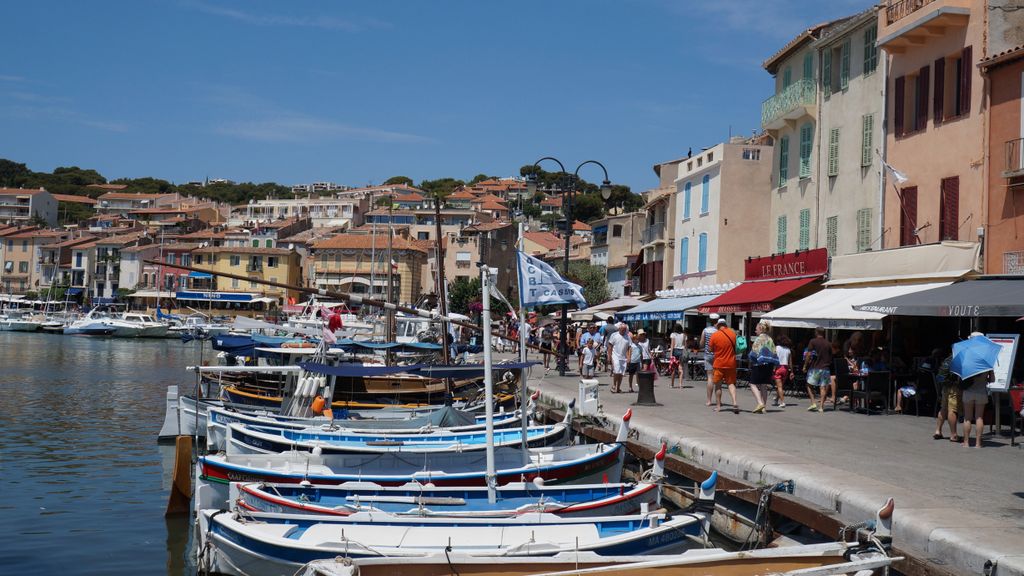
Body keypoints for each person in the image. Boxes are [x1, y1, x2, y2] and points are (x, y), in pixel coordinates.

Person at [708, 317, 739, 413]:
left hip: (719, 364)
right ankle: (734, 402)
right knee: (731, 384)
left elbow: (710, 349)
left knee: (718, 386)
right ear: (725, 325)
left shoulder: (715, 335)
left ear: (718, 325)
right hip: (731, 363)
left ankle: (718, 406)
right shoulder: (733, 334)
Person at [747, 320, 776, 414]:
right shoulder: (770, 339)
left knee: (752, 384)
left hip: (759, 364)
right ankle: (764, 407)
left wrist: (751, 360)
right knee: (763, 385)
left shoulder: (759, 339)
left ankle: (760, 403)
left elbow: (753, 353)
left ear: (760, 329)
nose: (755, 331)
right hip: (769, 365)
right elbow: (774, 353)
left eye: (756, 329)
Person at [934, 348, 961, 442]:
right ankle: (953, 435)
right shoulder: (959, 360)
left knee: (943, 408)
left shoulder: (948, 358)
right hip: (954, 387)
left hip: (945, 386)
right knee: (952, 410)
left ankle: (938, 431)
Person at [804, 327, 832, 413]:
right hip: (826, 368)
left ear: (816, 332)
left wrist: (805, 365)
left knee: (809, 385)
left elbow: (808, 354)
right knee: (823, 387)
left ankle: (813, 402)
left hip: (815, 368)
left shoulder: (813, 341)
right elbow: (831, 356)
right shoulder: (828, 343)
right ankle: (821, 407)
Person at [699, 314, 720, 407]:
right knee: (718, 378)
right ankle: (718, 401)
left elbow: (701, 344)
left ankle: (709, 400)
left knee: (710, 378)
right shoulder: (719, 331)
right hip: (717, 356)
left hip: (708, 355)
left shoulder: (705, 330)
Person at [607, 323, 632, 393]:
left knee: (621, 373)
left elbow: (629, 347)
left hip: (623, 357)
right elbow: (610, 346)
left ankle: (618, 388)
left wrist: (629, 357)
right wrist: (609, 356)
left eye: (625, 329)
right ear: (619, 329)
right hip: (615, 356)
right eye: (622, 329)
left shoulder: (628, 337)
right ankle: (614, 385)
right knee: (617, 371)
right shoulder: (614, 335)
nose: (623, 330)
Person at [773, 335, 792, 408]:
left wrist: (774, 368)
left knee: (779, 386)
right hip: (785, 368)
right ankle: (776, 399)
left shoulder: (776, 348)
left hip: (778, 367)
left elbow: (775, 358)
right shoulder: (788, 350)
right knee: (780, 386)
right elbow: (790, 362)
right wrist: (791, 371)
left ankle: (782, 402)